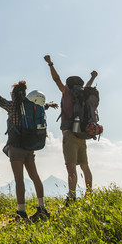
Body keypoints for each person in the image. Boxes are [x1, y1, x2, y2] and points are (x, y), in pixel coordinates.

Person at [0, 80, 58, 221]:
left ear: (13, 95)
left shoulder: (12, 106)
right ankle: (42, 208)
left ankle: (21, 213)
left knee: (19, 179)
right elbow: (42, 106)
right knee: (35, 176)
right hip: (30, 146)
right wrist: (49, 104)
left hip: (16, 147)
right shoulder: (31, 106)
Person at [43, 55, 98, 205]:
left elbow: (56, 80)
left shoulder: (67, 92)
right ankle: (89, 195)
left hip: (69, 134)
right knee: (85, 166)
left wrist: (50, 64)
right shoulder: (83, 93)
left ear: (69, 84)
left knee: (71, 167)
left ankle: (72, 197)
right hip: (82, 134)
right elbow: (88, 85)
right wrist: (92, 77)